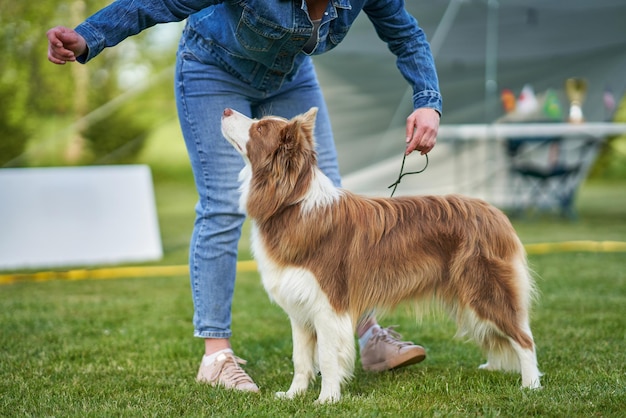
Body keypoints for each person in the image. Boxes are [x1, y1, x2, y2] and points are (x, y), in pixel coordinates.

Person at [47, 0, 442, 393]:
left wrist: (428, 101)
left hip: (289, 75)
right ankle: (216, 356)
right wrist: (88, 37)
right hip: (213, 68)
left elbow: (406, 34)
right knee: (221, 204)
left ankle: (366, 332)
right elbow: (162, 2)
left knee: (329, 201)